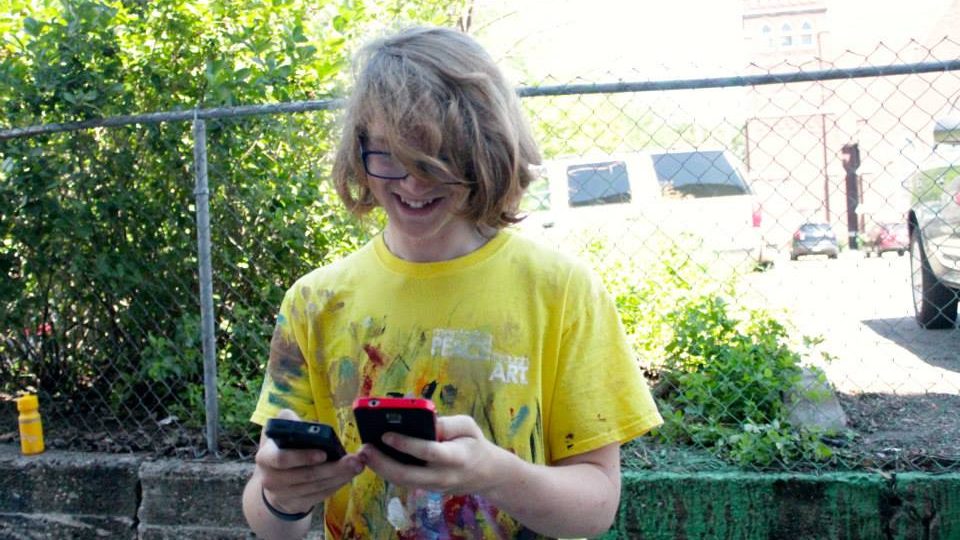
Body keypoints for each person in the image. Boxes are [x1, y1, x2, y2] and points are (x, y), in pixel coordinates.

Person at [241, 26, 662, 540]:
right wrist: (280, 496)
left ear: (485, 152)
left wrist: (496, 475)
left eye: (436, 159)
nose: (414, 183)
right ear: (359, 152)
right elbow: (271, 523)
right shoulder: (314, 301)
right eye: (390, 155)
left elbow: (595, 509)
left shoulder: (561, 290)